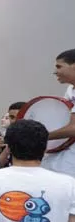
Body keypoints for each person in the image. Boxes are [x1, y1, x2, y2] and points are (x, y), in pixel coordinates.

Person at [43, 49, 75, 178]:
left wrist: (40, 136)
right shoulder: (70, 90)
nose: (55, 71)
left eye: (59, 66)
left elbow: (73, 128)